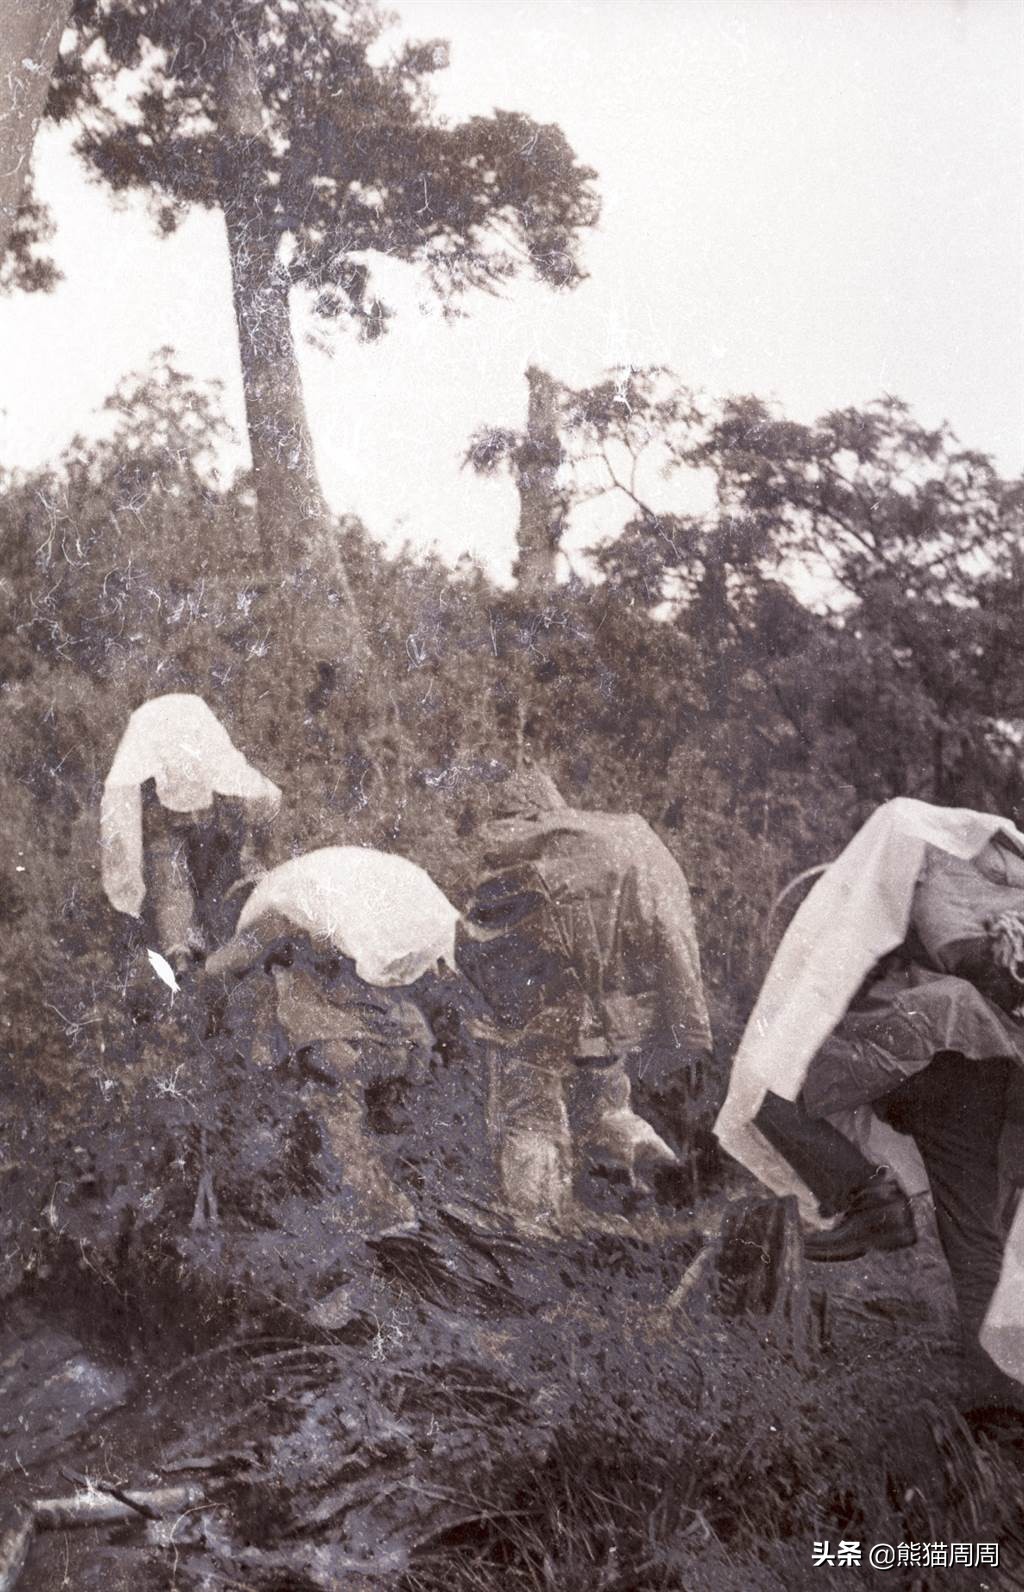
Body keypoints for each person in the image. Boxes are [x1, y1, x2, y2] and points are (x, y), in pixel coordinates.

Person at [717, 798, 1024, 1417]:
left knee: (763, 1090)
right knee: (978, 1230)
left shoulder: (923, 854)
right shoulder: (1007, 870)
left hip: (950, 1053)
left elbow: (956, 955)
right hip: (997, 1061)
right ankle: (1001, 1398)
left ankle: (870, 1199)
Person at [460, 765, 713, 1226]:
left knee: (529, 1112)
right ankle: (637, 1143)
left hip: (545, 1012)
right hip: (606, 1014)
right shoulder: (599, 852)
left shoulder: (521, 861)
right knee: (606, 1101)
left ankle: (536, 1220)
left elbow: (491, 949)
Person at [206, 845, 464, 1231]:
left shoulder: (281, 916)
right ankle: (404, 1196)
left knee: (337, 1109)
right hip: (396, 1044)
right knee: (368, 1118)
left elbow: (222, 965)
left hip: (339, 1046)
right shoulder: (353, 927)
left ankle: (378, 1208)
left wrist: (199, 975)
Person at [101, 693, 281, 973]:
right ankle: (185, 948)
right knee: (176, 876)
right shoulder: (177, 718)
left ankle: (192, 945)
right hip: (174, 810)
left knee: (184, 877)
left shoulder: (161, 720)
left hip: (184, 812)